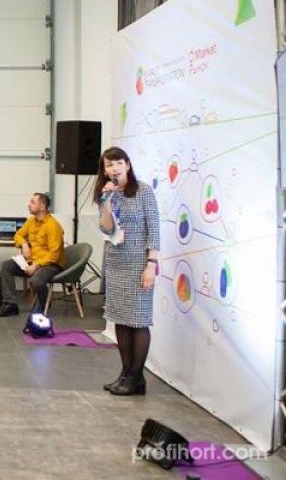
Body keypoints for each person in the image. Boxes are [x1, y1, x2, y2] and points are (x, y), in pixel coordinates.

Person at [93, 146, 160, 397]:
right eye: (109, 165)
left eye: (119, 163)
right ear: (104, 171)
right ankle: (125, 373)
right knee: (120, 319)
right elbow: (107, 229)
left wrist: (151, 264)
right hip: (116, 263)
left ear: (128, 165)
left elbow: (154, 229)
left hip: (139, 263)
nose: (114, 169)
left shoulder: (143, 191)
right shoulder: (106, 195)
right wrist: (106, 202)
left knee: (138, 320)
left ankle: (136, 376)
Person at [0, 193, 66, 317]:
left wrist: (36, 266)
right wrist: (24, 244)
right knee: (6, 266)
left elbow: (54, 255)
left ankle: (43, 305)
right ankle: (11, 304)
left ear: (42, 207)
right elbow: (18, 235)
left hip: (51, 264)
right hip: (33, 261)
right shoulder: (31, 221)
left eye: (32, 202)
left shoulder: (53, 226)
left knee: (36, 281)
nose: (29, 205)